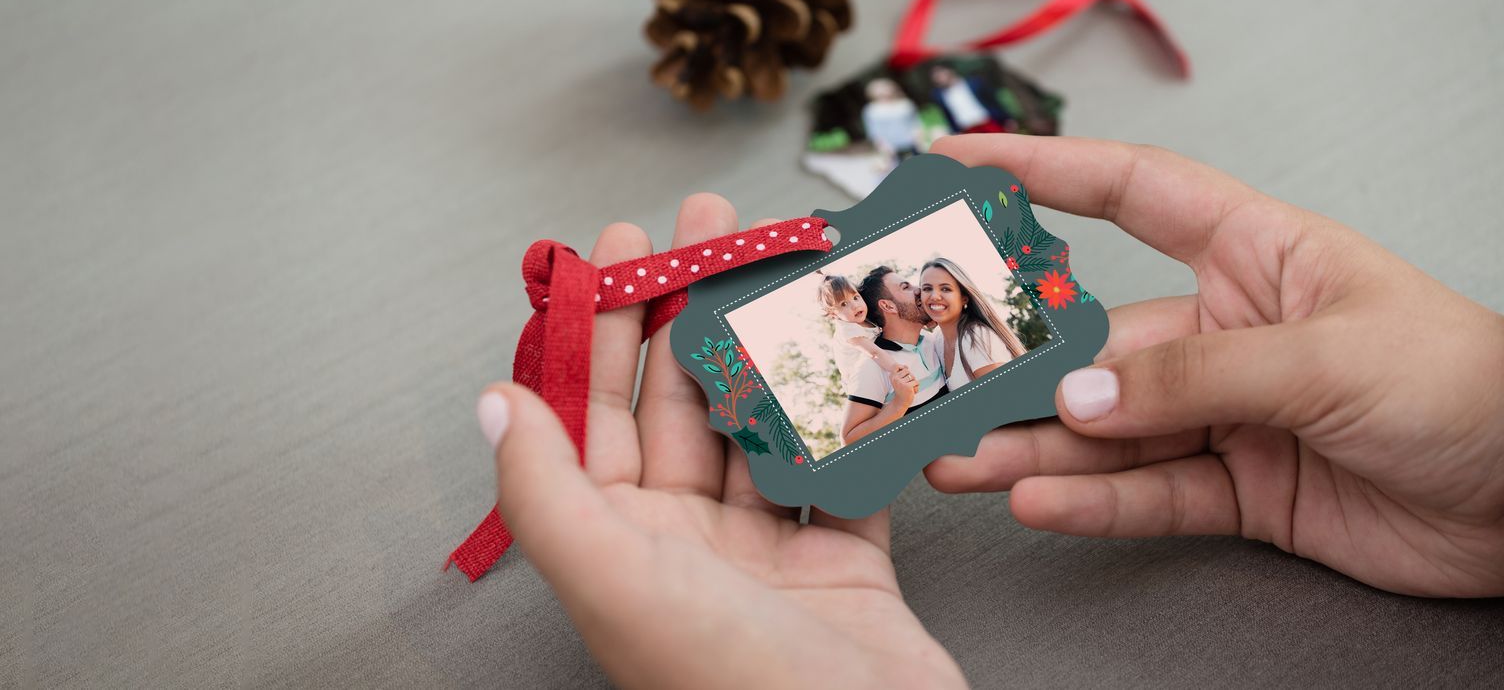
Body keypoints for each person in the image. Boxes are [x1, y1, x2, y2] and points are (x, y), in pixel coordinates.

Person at [468, 136, 1504, 687]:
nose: (929, 293)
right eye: (925, 285)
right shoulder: (876, 312)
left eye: (943, 293)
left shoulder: (935, 357)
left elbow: (890, 389)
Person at [841, 266, 948, 443]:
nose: (919, 290)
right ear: (888, 306)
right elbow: (849, 439)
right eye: (906, 287)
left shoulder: (930, 341)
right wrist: (900, 403)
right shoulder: (872, 366)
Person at [815, 272, 919, 445]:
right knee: (875, 416)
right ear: (834, 315)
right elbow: (874, 352)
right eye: (844, 304)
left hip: (874, 373)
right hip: (857, 382)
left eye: (855, 297)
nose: (854, 306)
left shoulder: (865, 319)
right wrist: (896, 368)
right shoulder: (847, 329)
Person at [919, 257, 1027, 389]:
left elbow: (1006, 394)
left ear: (964, 298)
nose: (934, 296)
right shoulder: (937, 338)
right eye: (927, 289)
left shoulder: (976, 337)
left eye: (946, 289)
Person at [928, 64, 1011, 134]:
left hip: (987, 121)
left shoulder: (974, 83)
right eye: (935, 77)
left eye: (940, 74)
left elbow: (993, 101)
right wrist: (955, 131)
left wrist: (1006, 118)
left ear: (950, 71)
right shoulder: (939, 95)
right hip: (967, 128)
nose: (938, 78)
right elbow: (947, 115)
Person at [861, 77, 925, 159]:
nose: (884, 91)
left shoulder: (905, 104)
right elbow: (874, 132)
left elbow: (916, 123)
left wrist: (919, 138)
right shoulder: (871, 110)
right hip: (890, 148)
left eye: (885, 88)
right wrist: (883, 146)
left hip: (912, 143)